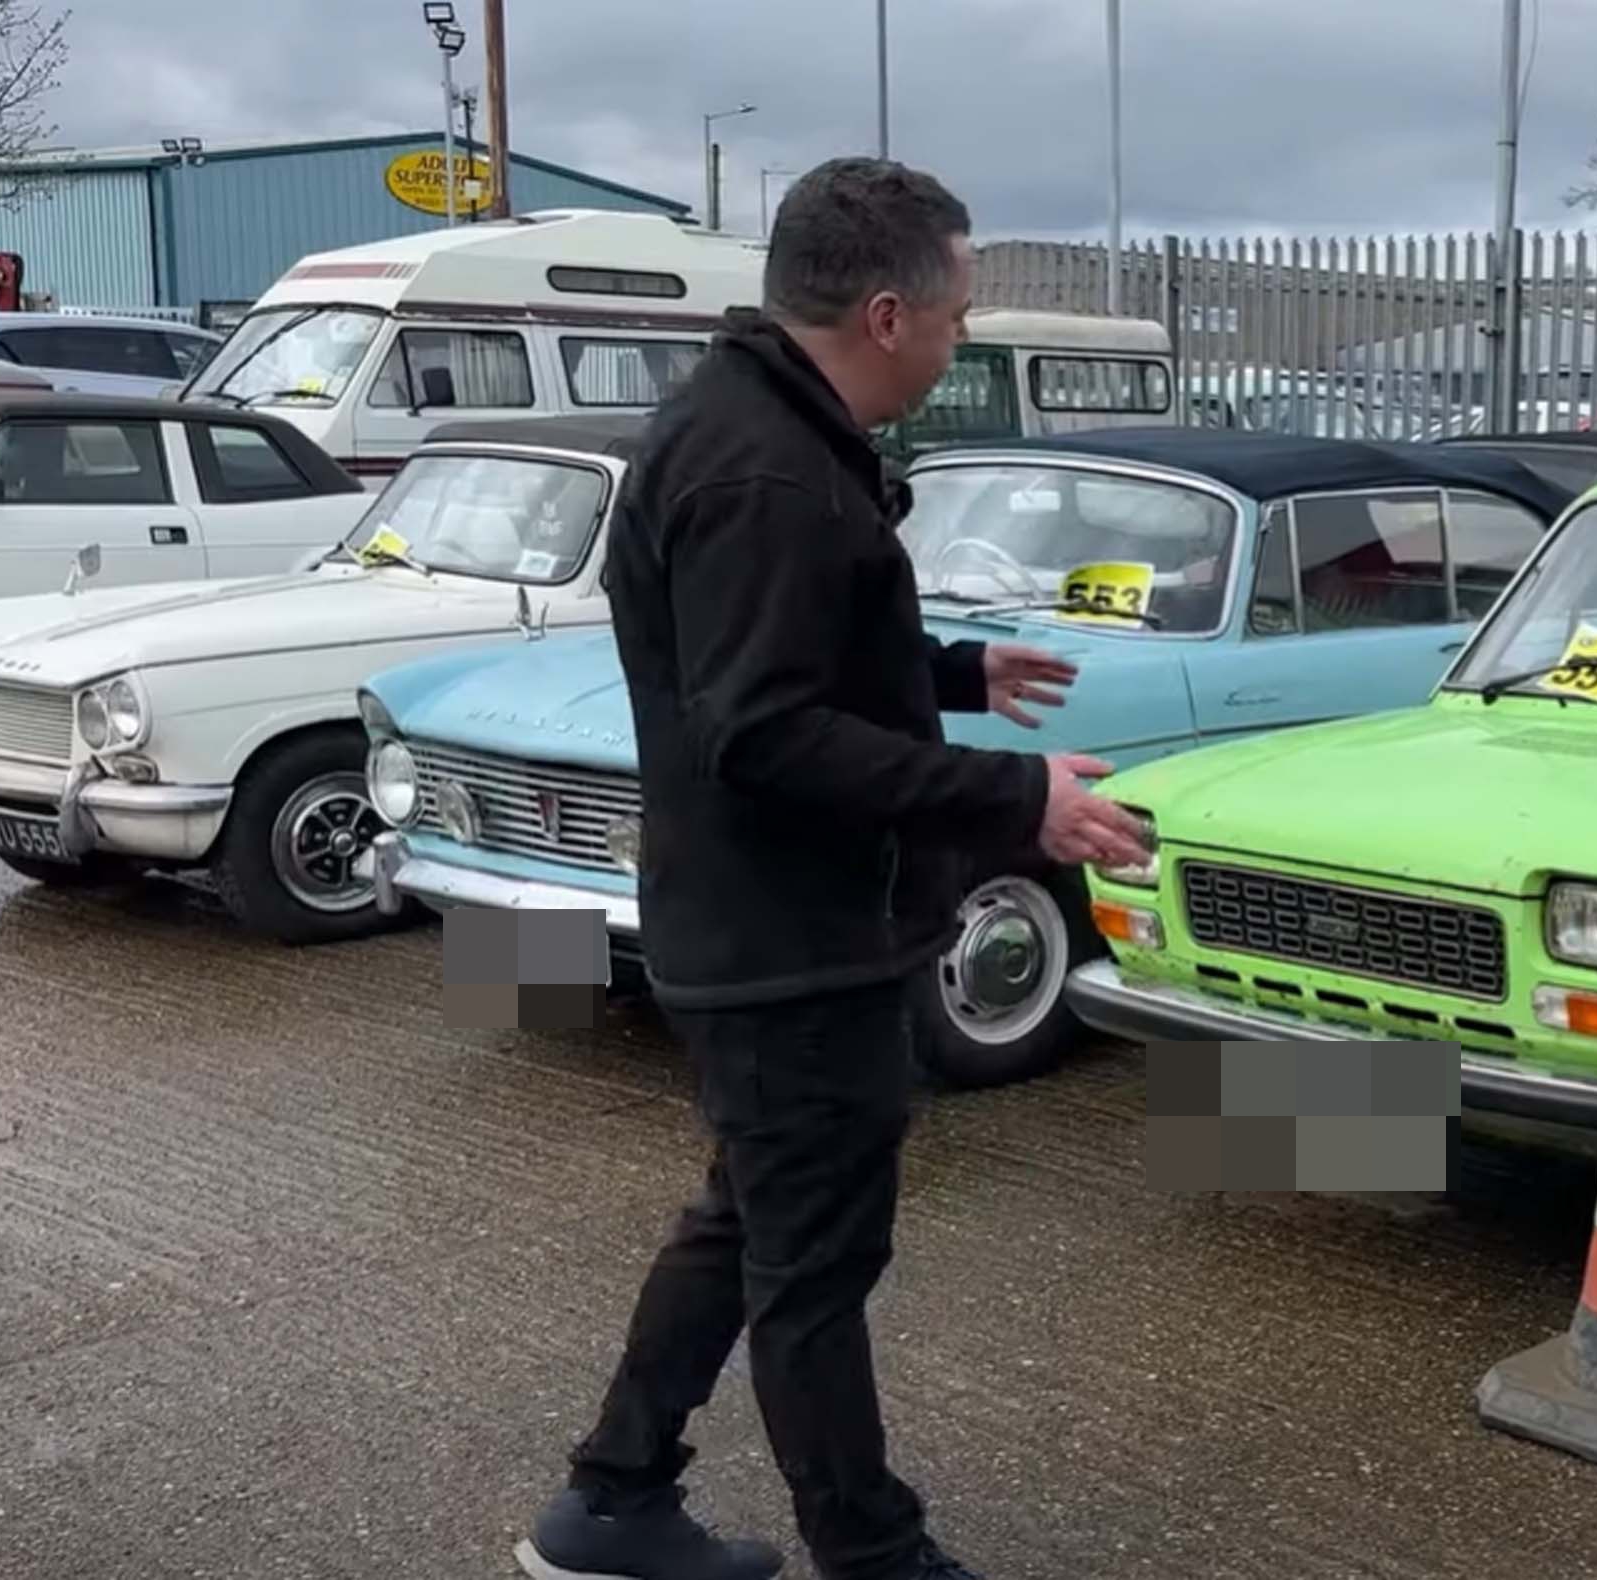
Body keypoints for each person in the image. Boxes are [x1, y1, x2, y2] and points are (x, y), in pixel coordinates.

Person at [514, 157, 1150, 1580]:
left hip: (767, 928)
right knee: (813, 1276)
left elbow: (773, 665)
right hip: (788, 943)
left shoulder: (755, 432)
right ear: (882, 312)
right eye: (957, 309)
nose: (961, 336)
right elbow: (762, 731)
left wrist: (957, 670)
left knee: (749, 1224)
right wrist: (1012, 801)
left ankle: (609, 1502)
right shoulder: (768, 472)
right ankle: (872, 1556)